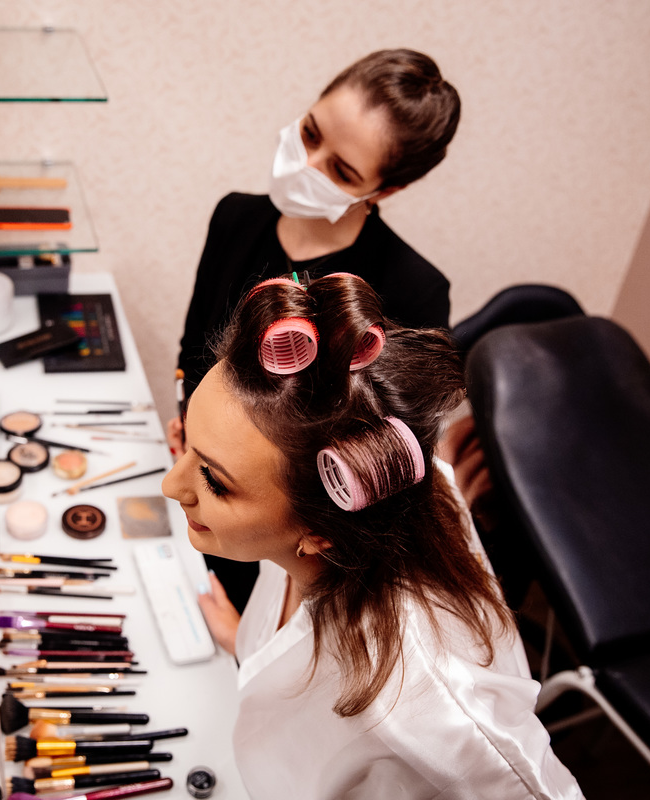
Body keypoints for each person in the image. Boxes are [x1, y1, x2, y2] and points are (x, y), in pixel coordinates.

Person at [162, 274, 583, 799]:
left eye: (213, 479)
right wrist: (254, 644)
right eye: (189, 446)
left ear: (320, 531)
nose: (170, 485)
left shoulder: (426, 713)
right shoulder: (351, 503)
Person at [171, 48, 461, 612]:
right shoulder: (234, 217)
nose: (307, 163)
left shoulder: (414, 290)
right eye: (309, 133)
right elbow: (194, 348)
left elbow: (372, 476)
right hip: (200, 493)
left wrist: (260, 629)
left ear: (384, 189)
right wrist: (191, 426)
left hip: (295, 556)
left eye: (342, 170)